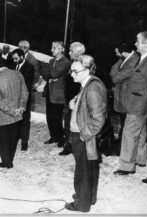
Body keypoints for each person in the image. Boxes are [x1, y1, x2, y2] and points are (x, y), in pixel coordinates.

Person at [114, 31, 147, 175]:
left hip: (139, 104)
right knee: (140, 132)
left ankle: (126, 166)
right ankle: (140, 159)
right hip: (137, 103)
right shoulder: (144, 58)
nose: (135, 44)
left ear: (146, 43)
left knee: (129, 134)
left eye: (138, 41)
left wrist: (143, 102)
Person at [65, 55, 107, 212]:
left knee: (82, 171)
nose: (72, 74)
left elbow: (98, 121)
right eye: (71, 71)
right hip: (83, 134)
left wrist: (83, 136)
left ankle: (82, 204)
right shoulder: (88, 84)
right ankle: (89, 197)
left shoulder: (93, 89)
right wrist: (74, 102)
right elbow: (86, 101)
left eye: (75, 71)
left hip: (84, 136)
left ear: (87, 70)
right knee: (89, 169)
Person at [0, 57, 28, 168]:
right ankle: (9, 160)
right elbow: (25, 91)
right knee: (13, 139)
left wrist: (12, 111)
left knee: (3, 142)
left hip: (4, 117)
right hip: (17, 115)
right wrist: (21, 107)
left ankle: (6, 162)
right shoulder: (18, 74)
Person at [109, 42, 140, 155]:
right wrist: (121, 58)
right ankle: (121, 146)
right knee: (124, 123)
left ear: (125, 53)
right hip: (124, 96)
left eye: (118, 53)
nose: (116, 54)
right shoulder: (128, 59)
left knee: (126, 125)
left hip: (128, 98)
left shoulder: (133, 62)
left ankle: (122, 149)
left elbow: (115, 77)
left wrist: (119, 60)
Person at [42, 41, 70, 148]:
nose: (51, 50)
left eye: (54, 48)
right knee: (49, 116)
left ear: (62, 49)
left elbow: (54, 74)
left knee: (56, 117)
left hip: (58, 93)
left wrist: (51, 75)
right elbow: (45, 74)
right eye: (52, 47)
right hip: (49, 90)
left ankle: (60, 138)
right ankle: (53, 136)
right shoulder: (51, 60)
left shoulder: (65, 61)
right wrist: (51, 76)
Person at [59, 42, 84, 156]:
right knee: (69, 122)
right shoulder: (72, 63)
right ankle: (70, 145)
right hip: (70, 100)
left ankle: (70, 146)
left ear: (79, 52)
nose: (69, 53)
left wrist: (75, 99)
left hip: (77, 100)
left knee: (70, 122)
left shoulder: (83, 64)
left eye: (71, 51)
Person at [12, 48, 34, 151]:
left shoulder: (29, 67)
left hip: (24, 97)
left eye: (16, 58)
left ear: (22, 57)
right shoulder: (13, 66)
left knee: (25, 119)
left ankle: (24, 142)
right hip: (14, 98)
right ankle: (16, 137)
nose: (14, 60)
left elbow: (26, 85)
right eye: (13, 59)